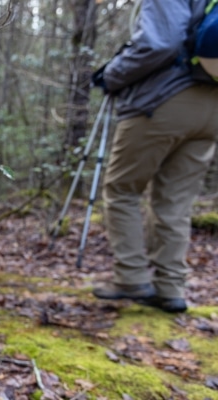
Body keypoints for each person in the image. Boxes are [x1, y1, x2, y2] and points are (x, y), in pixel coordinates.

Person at [90, 0, 218, 313]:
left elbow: (159, 43)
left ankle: (131, 277)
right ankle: (171, 287)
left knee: (121, 189)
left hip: (162, 100)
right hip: (211, 108)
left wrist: (112, 75)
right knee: (175, 201)